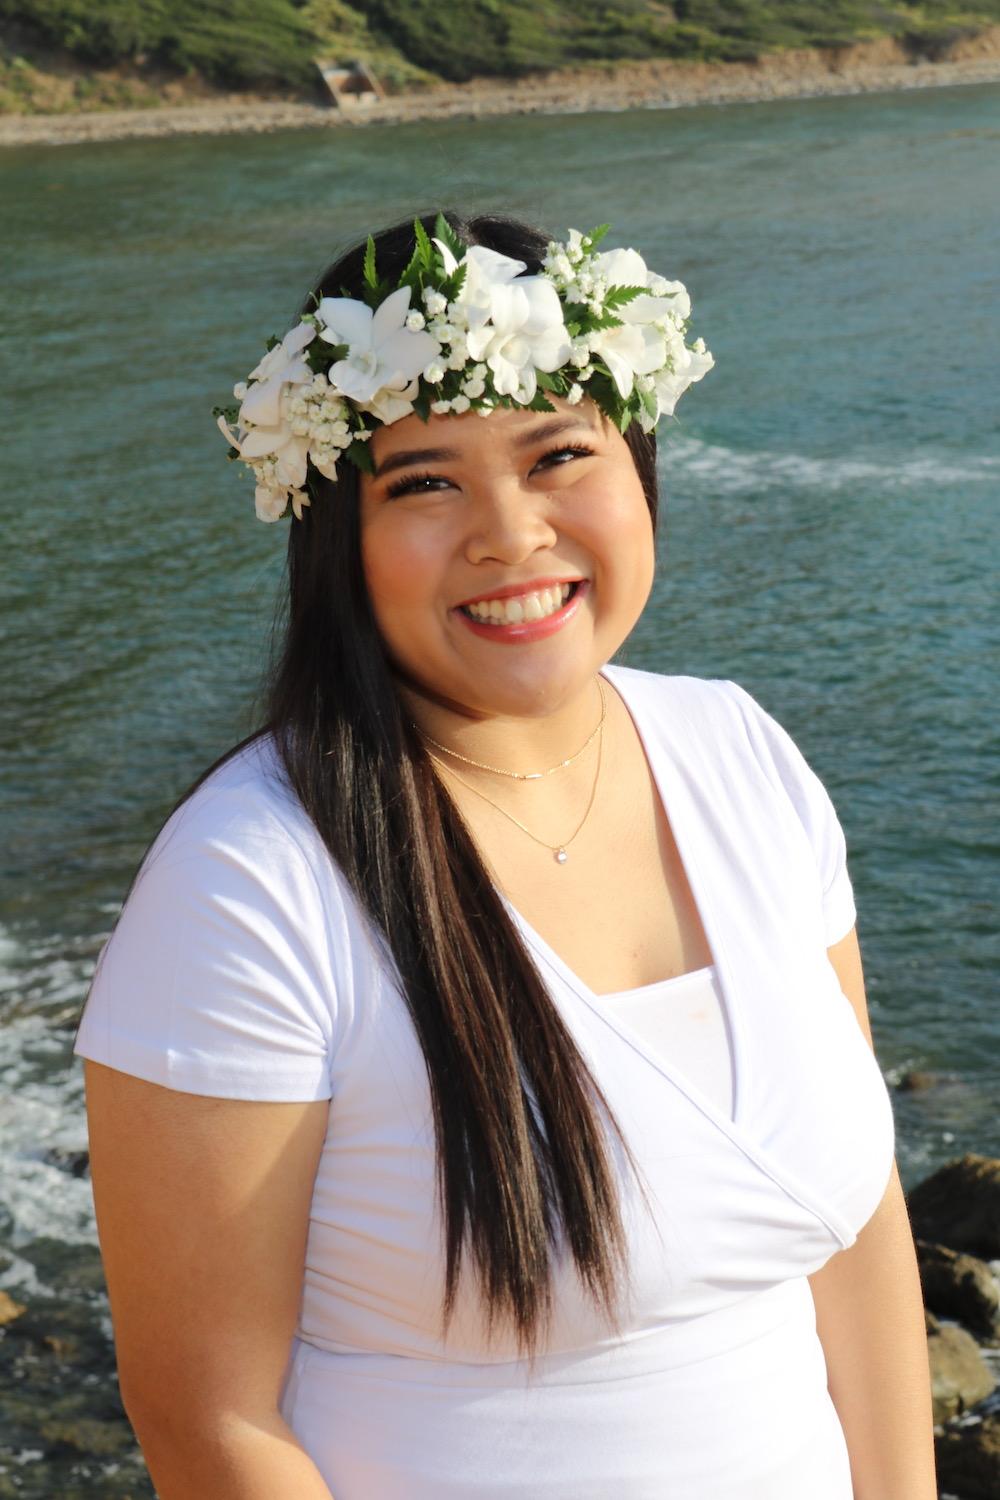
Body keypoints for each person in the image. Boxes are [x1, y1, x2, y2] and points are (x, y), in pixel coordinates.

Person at [73, 209, 936, 1499]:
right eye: (425, 481)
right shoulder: (251, 887)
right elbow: (213, 1429)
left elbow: (861, 1229)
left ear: (638, 463)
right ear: (336, 537)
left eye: (557, 456)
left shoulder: (743, 756)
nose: (511, 534)